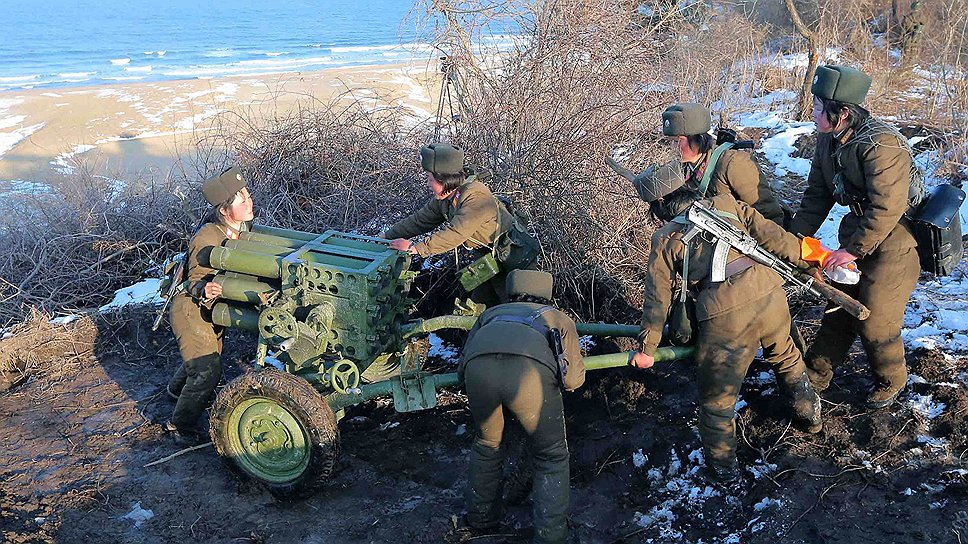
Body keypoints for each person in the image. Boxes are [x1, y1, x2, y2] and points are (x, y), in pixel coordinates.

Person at [629, 164, 823, 483]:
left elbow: (657, 297)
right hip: (770, 292)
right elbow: (778, 238)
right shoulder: (728, 204)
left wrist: (647, 348)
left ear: (659, 205)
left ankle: (724, 472)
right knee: (787, 356)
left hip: (726, 315)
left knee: (717, 400)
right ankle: (810, 418)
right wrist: (813, 262)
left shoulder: (665, 238)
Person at [790, 64, 921, 409]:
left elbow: (888, 208)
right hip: (857, 230)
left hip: (896, 240)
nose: (813, 112)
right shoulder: (828, 139)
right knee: (839, 306)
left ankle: (891, 378)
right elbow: (817, 195)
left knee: (876, 319)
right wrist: (791, 238)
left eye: (819, 107)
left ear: (843, 112)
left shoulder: (883, 145)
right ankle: (816, 373)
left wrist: (850, 251)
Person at [459, 270, 585, 544]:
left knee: (486, 445)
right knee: (551, 456)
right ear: (546, 294)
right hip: (529, 376)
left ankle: (481, 521)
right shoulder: (559, 318)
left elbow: (462, 368)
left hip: (478, 371)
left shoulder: (490, 314)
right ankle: (550, 535)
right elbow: (574, 379)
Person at [383, 143, 539, 306]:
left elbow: (455, 233)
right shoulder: (445, 198)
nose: (428, 183)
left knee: (514, 307)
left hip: (512, 257)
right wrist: (387, 236)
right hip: (488, 258)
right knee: (480, 304)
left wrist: (415, 248)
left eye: (430, 178)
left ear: (443, 178)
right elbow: (418, 221)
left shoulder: (475, 196)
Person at [164, 166, 254, 444]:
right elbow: (194, 281)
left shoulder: (243, 227)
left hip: (209, 308)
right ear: (224, 211)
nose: (249, 202)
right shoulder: (206, 238)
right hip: (190, 308)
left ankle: (175, 392)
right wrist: (207, 287)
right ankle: (179, 426)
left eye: (247, 195)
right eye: (241, 200)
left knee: (207, 354)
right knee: (208, 370)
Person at [657, 102, 789, 226]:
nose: (672, 147)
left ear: (697, 139)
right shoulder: (684, 168)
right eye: (671, 141)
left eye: (678, 141)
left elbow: (768, 213)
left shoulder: (733, 163)